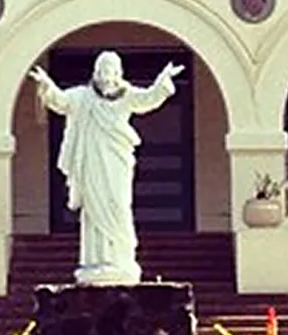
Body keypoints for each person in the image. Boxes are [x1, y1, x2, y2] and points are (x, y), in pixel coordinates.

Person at [29, 51, 184, 285]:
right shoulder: (83, 97)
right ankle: (96, 259)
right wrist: (47, 85)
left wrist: (163, 82)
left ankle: (121, 258)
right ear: (96, 72)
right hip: (91, 162)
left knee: (119, 204)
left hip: (117, 160)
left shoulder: (126, 95)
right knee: (93, 209)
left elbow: (148, 99)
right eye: (103, 71)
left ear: (118, 73)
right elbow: (60, 101)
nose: (107, 76)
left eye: (111, 71)